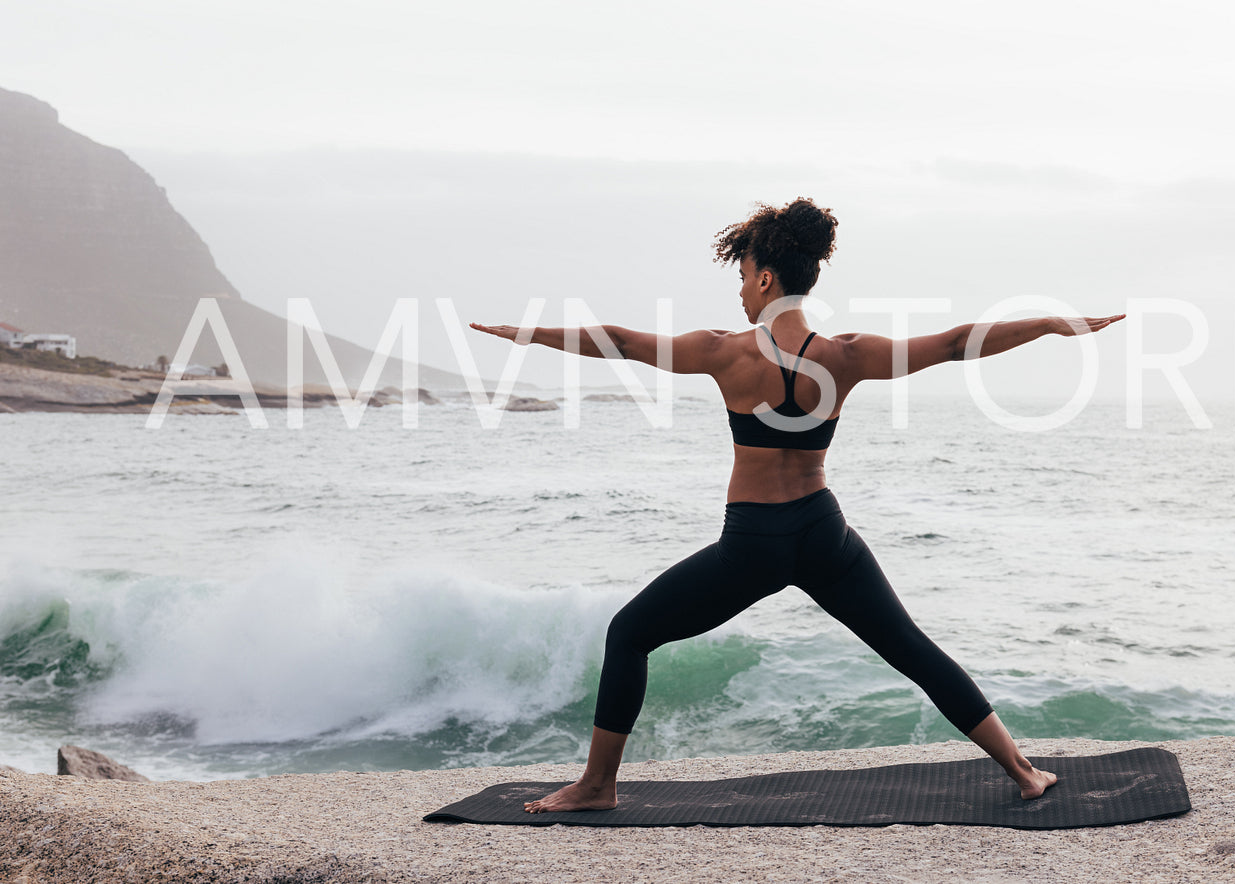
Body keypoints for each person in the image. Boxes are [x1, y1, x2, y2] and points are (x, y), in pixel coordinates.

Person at [469, 197, 1124, 812]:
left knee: (629, 634)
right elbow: (955, 344)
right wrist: (1043, 324)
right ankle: (1022, 771)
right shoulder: (847, 356)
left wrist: (529, 335)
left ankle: (595, 785)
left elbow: (619, 341)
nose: (738, 287)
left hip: (751, 543)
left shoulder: (722, 352)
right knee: (908, 646)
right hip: (821, 532)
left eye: (743, 272)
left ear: (762, 281)